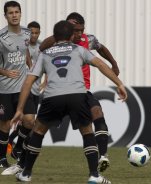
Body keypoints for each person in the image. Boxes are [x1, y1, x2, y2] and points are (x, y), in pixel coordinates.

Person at [11, 20, 127, 183]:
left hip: (52, 96)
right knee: (87, 132)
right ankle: (94, 175)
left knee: (38, 132)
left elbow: (28, 82)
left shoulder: (45, 54)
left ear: (55, 36)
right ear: (72, 35)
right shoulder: (79, 49)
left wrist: (19, 109)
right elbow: (100, 64)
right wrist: (119, 84)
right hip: (77, 95)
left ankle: (26, 173)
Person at [39, 12, 118, 172]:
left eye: (82, 29)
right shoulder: (58, 42)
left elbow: (101, 48)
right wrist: (59, 35)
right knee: (38, 128)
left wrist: (114, 63)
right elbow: (42, 47)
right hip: (58, 91)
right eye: (75, 30)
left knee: (97, 112)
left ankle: (103, 156)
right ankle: (23, 165)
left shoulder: (88, 40)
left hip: (81, 91)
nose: (79, 33)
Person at [0, 1, 35, 169]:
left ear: (20, 14)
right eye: (10, 13)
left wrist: (30, 65)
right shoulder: (1, 37)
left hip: (22, 87)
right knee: (5, 125)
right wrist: (5, 72)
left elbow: (25, 49)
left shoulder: (27, 34)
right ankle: (1, 159)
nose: (14, 15)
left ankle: (18, 146)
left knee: (29, 121)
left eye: (16, 12)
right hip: (5, 88)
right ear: (5, 16)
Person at [7, 21, 44, 162]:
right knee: (30, 122)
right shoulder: (21, 45)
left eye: (36, 32)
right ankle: (18, 148)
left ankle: (14, 144)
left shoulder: (42, 46)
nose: (34, 35)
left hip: (36, 89)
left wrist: (46, 82)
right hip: (23, 88)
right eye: (31, 32)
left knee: (27, 124)